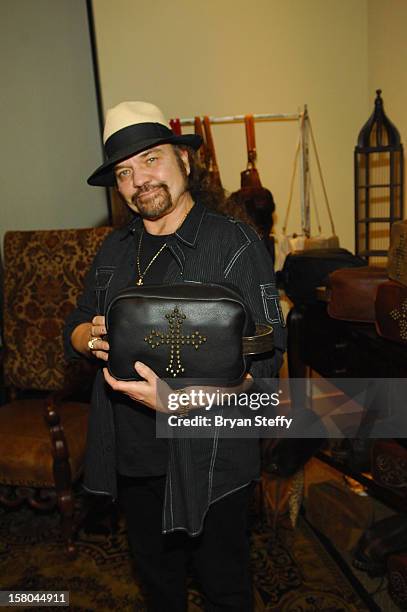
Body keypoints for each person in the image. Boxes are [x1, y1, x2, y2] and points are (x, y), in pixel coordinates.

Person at [64, 101, 286, 611]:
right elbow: (75, 321)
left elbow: (270, 360)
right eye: (124, 171)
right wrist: (87, 337)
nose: (139, 179)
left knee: (224, 585)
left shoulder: (234, 244)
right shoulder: (113, 251)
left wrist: (183, 404)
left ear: (185, 162)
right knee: (157, 583)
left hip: (212, 452)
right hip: (134, 455)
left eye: (151, 159)